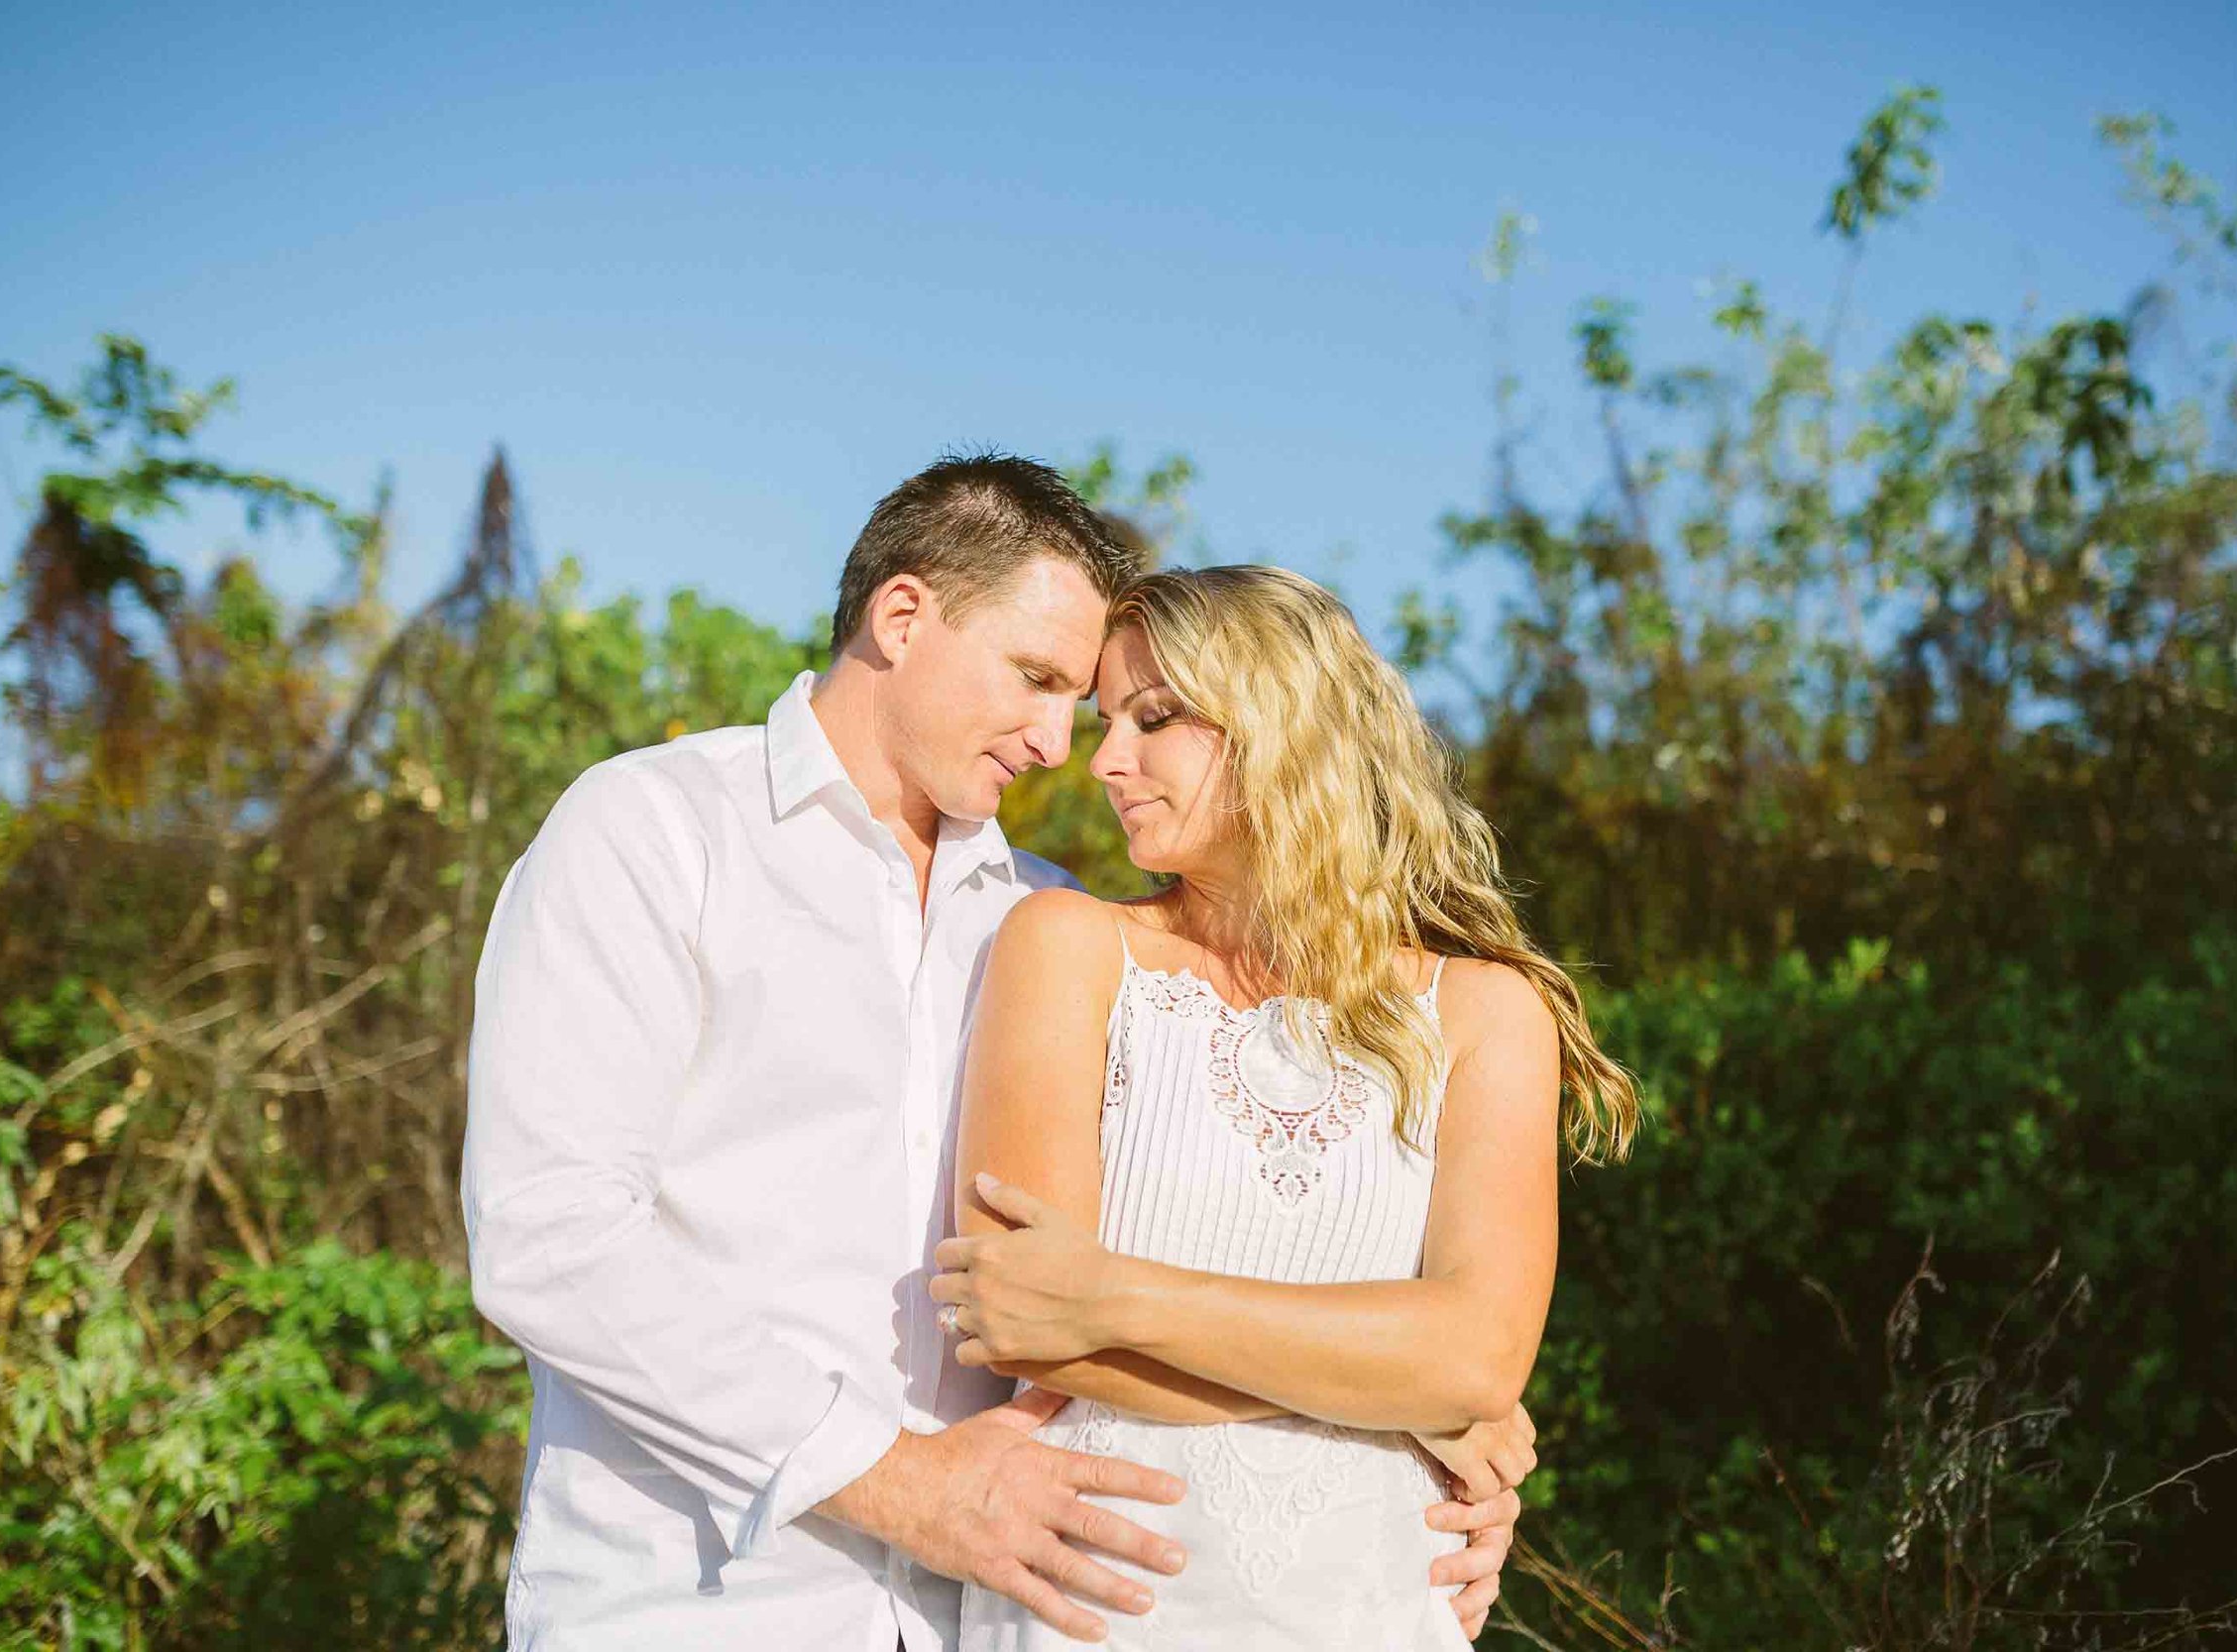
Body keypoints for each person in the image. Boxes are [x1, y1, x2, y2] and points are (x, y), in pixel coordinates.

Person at [461, 457, 1522, 1651]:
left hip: (992, 1600)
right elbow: (552, 1237)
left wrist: (1415, 1414)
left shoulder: (1041, 908)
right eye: (1035, 680)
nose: (1059, 747)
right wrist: (900, 1480)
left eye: (1083, 703)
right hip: (699, 1597)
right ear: (902, 616)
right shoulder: (655, 830)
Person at [935, 567, 1639, 1649]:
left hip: (1365, 1603)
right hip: (1099, 1592)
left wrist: (1113, 1288)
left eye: (1155, 717)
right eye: (1104, 721)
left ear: (1282, 724)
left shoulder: (1488, 1011)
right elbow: (1025, 1324)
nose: (1105, 759)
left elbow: (1479, 1358)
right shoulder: (1064, 944)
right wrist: (1401, 1390)